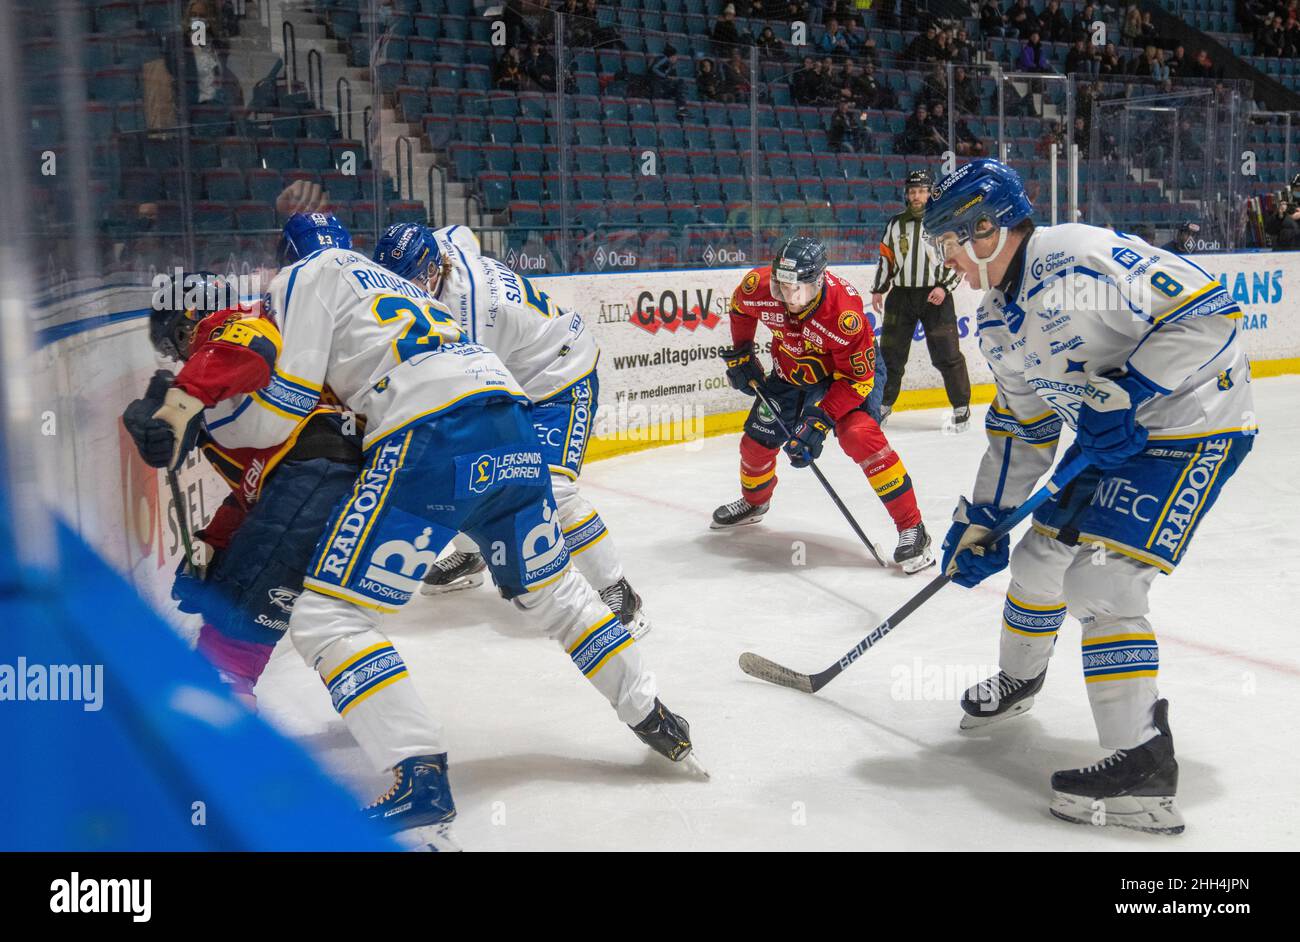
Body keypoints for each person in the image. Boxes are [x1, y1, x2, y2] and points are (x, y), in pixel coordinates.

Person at [127, 213, 698, 849]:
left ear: (284, 260)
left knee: (327, 620)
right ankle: (653, 715)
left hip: (431, 432)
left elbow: (278, 414)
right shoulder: (397, 285)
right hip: (509, 420)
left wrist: (194, 415)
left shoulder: (304, 278)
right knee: (555, 593)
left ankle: (420, 780)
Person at [924, 158, 1256, 834]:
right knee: (1037, 562)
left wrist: (1133, 390)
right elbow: (1023, 429)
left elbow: (1211, 316)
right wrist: (982, 519)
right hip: (1112, 438)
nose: (947, 260)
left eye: (949, 242)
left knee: (1100, 584)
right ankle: (1019, 683)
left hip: (1196, 424)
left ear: (987, 229)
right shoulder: (994, 323)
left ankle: (1144, 769)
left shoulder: (1078, 256)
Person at [372, 223, 653, 639]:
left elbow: (467, 389)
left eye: (409, 281)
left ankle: (617, 590)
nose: (401, 290)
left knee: (553, 492)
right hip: (521, 369)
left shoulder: (469, 313)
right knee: (465, 467)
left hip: (561, 378)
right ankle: (471, 557)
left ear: (433, 270)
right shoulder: (443, 251)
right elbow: (461, 230)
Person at [121, 273, 363, 711]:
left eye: (176, 345)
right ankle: (388, 726)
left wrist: (181, 400)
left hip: (318, 479)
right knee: (322, 620)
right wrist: (216, 546)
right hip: (330, 485)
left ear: (188, 323)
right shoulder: (236, 391)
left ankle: (218, 729)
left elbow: (250, 350)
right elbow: (255, 489)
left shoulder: (235, 322)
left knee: (233, 628)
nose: (179, 360)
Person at [711, 236, 935, 574]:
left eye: (795, 290)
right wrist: (742, 351)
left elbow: (857, 380)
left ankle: (913, 528)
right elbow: (742, 307)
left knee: (859, 435)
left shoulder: (844, 314)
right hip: (791, 371)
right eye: (780, 286)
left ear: (817, 282)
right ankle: (755, 503)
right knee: (755, 443)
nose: (786, 297)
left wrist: (820, 420)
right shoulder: (758, 285)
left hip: (845, 378)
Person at [871, 170, 971, 431]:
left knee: (947, 354)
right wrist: (878, 289)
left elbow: (958, 260)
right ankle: (882, 404)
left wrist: (944, 287)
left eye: (922, 191)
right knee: (891, 356)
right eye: (912, 191)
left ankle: (961, 405)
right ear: (907, 194)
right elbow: (886, 258)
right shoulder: (895, 224)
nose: (916, 196)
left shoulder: (944, 222)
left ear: (930, 193)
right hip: (901, 297)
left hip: (935, 297)